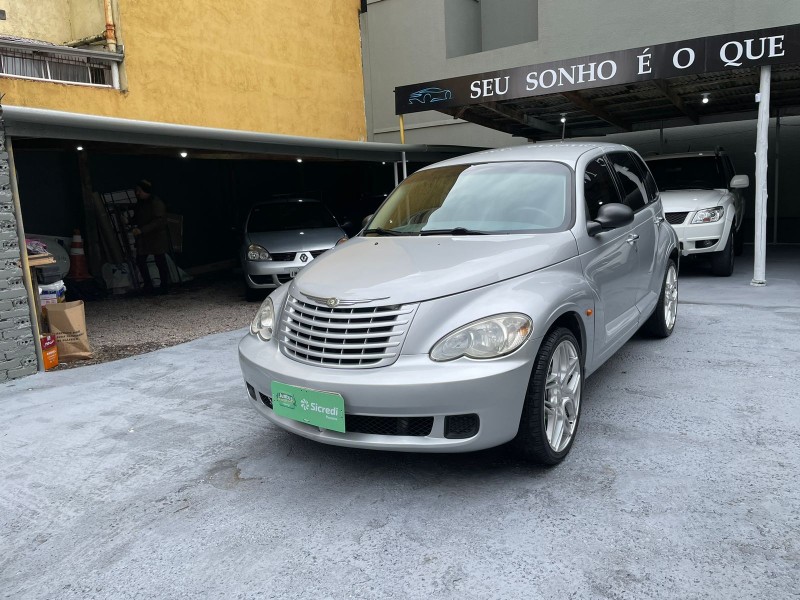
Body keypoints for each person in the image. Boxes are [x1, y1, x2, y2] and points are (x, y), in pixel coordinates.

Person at [131, 179, 171, 295]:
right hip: (144, 237)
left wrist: (141, 230)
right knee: (140, 260)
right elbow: (138, 217)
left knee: (160, 260)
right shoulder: (140, 203)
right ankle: (148, 286)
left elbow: (159, 220)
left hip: (156, 236)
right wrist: (130, 221)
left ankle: (164, 286)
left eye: (139, 191)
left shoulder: (156, 202)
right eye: (136, 191)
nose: (137, 193)